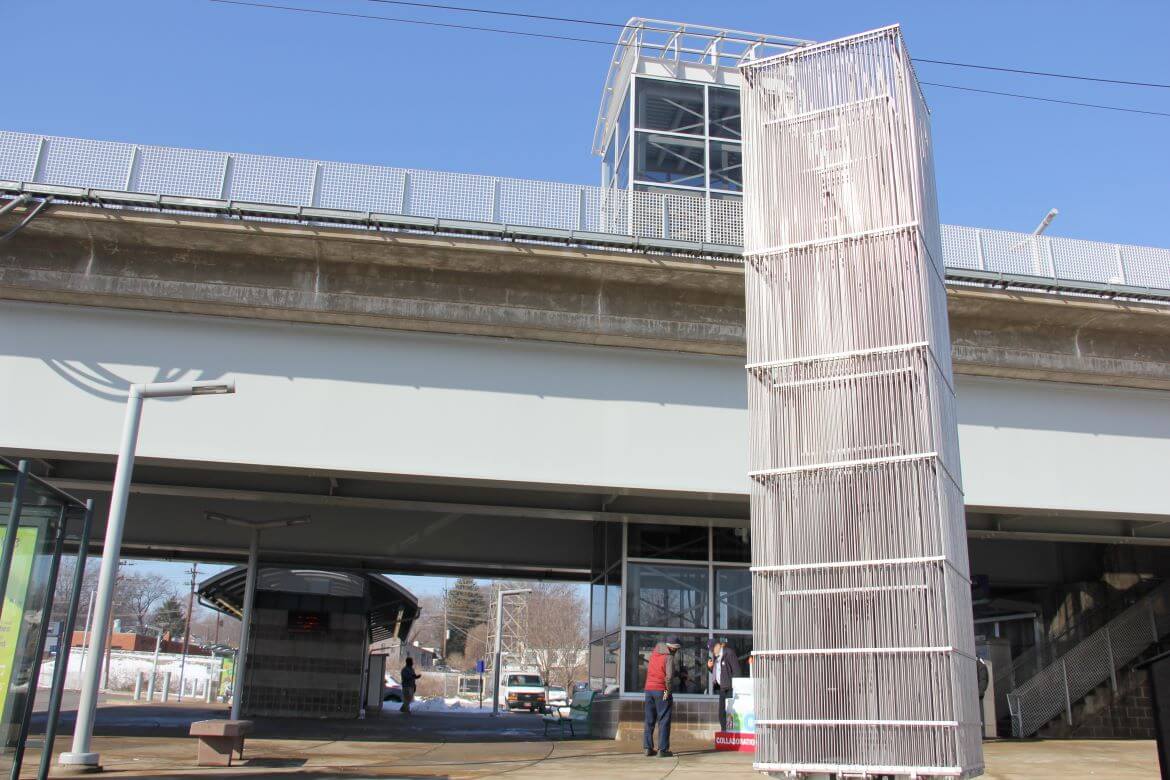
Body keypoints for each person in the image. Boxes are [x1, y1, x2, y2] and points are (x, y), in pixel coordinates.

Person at [643, 636, 681, 758]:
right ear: (673, 648)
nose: (676, 652)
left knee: (649, 720)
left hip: (649, 690)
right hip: (661, 690)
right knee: (664, 719)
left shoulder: (654, 654)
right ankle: (663, 750)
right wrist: (668, 692)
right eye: (677, 649)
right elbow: (669, 677)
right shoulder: (668, 657)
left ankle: (648, 748)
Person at [708, 640, 743, 732]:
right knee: (721, 713)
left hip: (730, 688)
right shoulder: (716, 656)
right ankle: (724, 731)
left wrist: (735, 687)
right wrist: (710, 668)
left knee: (730, 712)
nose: (712, 651)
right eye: (711, 650)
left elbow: (736, 671)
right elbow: (718, 672)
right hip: (722, 687)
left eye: (713, 649)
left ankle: (730, 731)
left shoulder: (729, 653)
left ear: (718, 645)